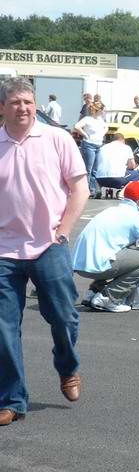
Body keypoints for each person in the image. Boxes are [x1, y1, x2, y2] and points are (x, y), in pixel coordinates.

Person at [0, 77, 89, 426]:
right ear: (2, 107)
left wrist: (63, 232)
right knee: (4, 329)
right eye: (15, 102)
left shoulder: (57, 139)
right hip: (5, 251)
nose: (22, 108)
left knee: (63, 316)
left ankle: (67, 365)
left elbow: (79, 189)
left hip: (49, 245)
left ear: (35, 105)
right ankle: (11, 400)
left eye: (27, 101)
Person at [72, 181, 139, 313]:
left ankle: (94, 292)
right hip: (97, 266)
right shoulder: (135, 217)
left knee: (122, 249)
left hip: (80, 264)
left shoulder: (112, 210)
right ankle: (108, 298)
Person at [74, 102, 108, 198]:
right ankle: (85, 189)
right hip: (89, 144)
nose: (104, 112)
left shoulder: (101, 120)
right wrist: (85, 134)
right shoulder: (88, 119)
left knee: (95, 170)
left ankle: (92, 189)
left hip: (98, 145)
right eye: (103, 110)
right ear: (99, 110)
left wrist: (103, 133)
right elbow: (77, 126)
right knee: (88, 169)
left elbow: (106, 127)